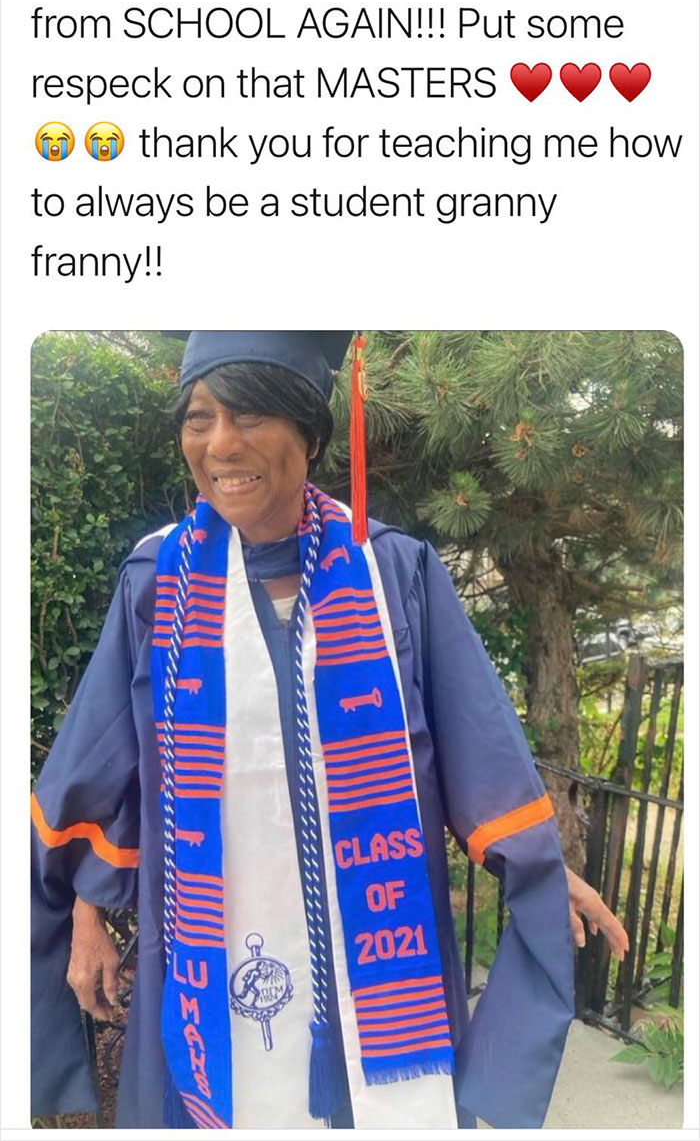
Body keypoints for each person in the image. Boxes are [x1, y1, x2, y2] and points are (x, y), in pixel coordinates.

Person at [31, 331, 628, 1130]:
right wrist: (87, 909)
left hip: (369, 967)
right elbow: (114, 761)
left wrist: (538, 868)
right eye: (200, 419)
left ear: (309, 433)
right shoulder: (156, 582)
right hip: (207, 960)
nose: (220, 444)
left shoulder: (392, 571)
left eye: (249, 415)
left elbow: (476, 748)